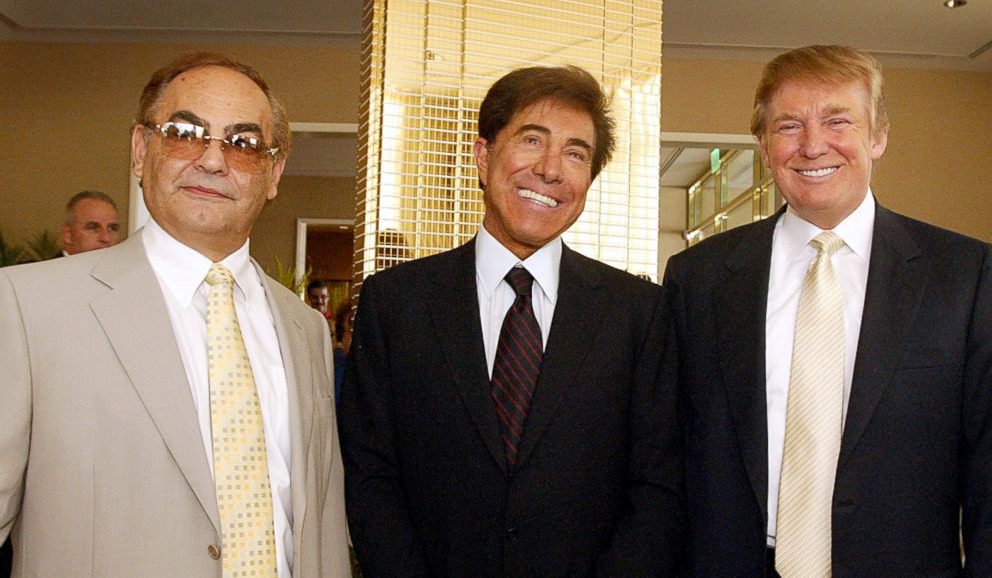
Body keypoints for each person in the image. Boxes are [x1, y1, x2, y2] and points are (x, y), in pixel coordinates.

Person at [0, 52, 350, 578]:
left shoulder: (303, 330)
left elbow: (319, 524)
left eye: (244, 144)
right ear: (141, 150)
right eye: (185, 133)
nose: (212, 161)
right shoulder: (27, 309)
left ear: (273, 173)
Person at [340, 65, 683, 578]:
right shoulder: (397, 304)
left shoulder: (638, 313)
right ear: (483, 157)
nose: (550, 170)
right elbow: (370, 475)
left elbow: (658, 489)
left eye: (575, 153)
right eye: (531, 140)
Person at [664, 45, 992, 577]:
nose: (813, 145)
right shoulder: (697, 279)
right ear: (764, 146)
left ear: (878, 136)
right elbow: (668, 457)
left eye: (838, 120)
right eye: (788, 125)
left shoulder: (966, 276)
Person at [61, 190, 122, 255]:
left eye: (112, 229)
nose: (106, 238)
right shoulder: (52, 265)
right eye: (93, 228)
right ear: (68, 235)